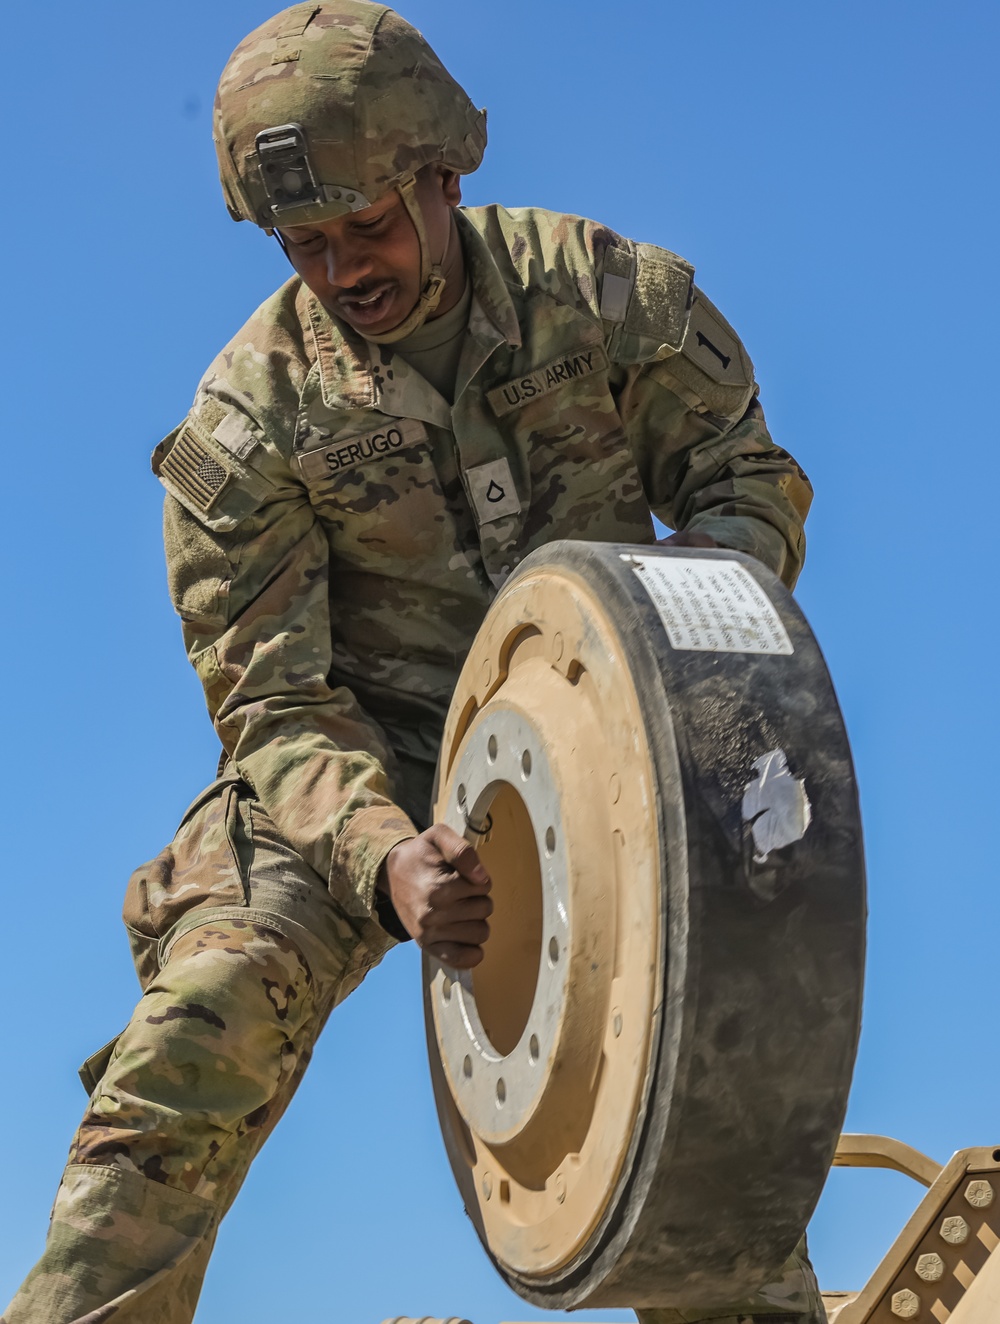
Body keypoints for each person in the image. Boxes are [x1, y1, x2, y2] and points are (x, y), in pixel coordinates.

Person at [3, 3, 817, 1322]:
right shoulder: (244, 430)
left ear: (443, 177)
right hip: (365, 750)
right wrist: (382, 854)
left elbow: (742, 487)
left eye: (367, 227)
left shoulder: (609, 301)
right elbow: (272, 697)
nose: (342, 270)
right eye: (305, 246)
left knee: (718, 1040)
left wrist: (670, 672)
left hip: (618, 708)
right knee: (203, 1015)